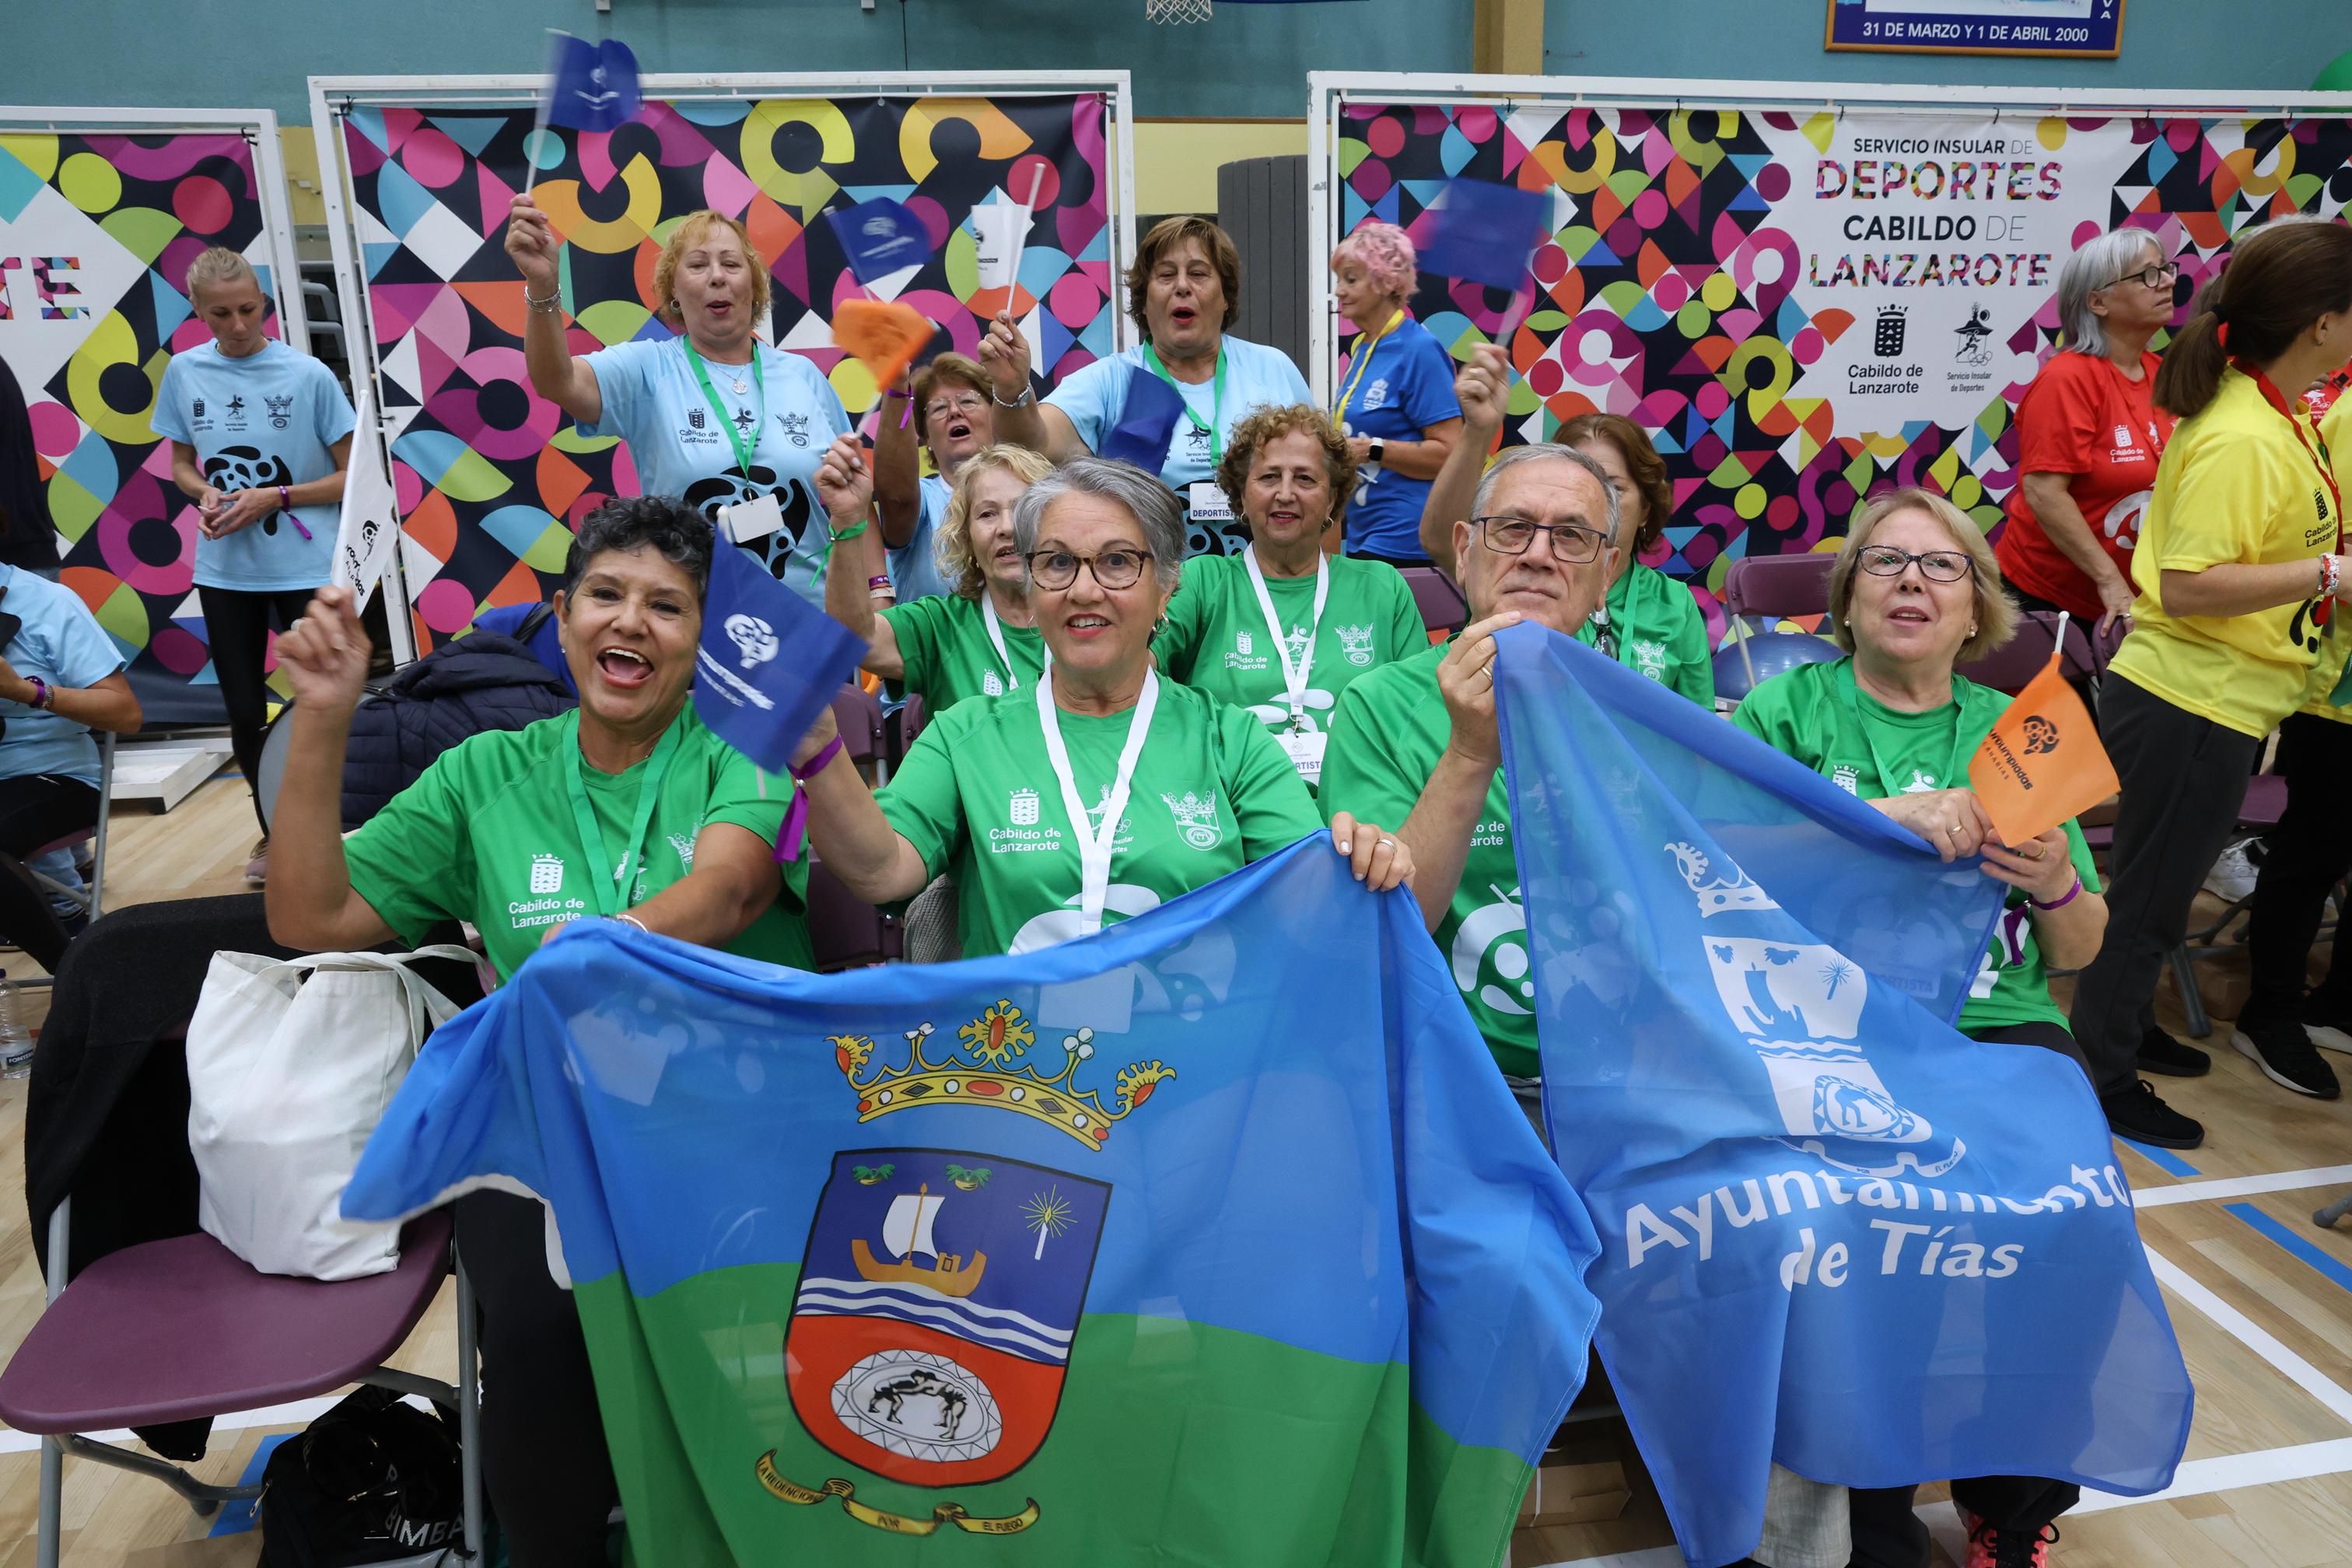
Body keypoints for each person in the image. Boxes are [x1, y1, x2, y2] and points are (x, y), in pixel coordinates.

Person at [265, 495, 809, 1566]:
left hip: (738, 1119)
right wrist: (324, 718)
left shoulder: (743, 749)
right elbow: (308, 916)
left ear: (703, 639)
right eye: (606, 595)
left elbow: (733, 888)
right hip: (549, 1127)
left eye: (668, 606)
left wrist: (600, 944)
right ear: (562, 618)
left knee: (743, 1338)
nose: (631, 622)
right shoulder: (484, 776)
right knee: (533, 1347)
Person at [795, 455, 1411, 958]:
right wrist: (820, 752)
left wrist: (1368, 858)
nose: (1084, 589)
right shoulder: (965, 735)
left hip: (1192, 1057)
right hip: (1020, 1062)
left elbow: (1311, 903)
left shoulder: (1232, 741)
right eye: (1057, 562)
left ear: (1166, 588)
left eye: (1117, 562)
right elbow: (881, 871)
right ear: (1032, 583)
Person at [2068, 216, 2352, 1146]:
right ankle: (2099, 1078)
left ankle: (2123, 1030)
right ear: (2321, 323)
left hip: (2216, 700)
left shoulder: (2271, 414)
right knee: (2149, 904)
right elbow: (2190, 585)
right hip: (2189, 701)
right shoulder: (2243, 435)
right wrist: (2329, 575)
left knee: (2155, 895)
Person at [506, 198, 849, 604]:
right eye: (698, 265)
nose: (717, 276)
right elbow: (556, 380)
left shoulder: (803, 376)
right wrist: (543, 286)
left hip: (813, 618)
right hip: (694, 620)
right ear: (674, 289)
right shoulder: (647, 368)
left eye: (731, 264)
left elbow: (853, 498)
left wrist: (877, 593)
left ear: (754, 285)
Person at [152, 247, 353, 885]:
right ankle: (275, 831)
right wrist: (203, 492)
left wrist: (279, 496)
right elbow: (181, 463)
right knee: (243, 709)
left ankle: (340, 827)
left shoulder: (308, 375)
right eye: (221, 315)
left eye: (248, 309)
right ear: (196, 310)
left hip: (306, 565)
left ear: (264, 301)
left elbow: (352, 477)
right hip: (226, 569)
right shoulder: (185, 372)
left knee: (323, 704)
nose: (238, 325)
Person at [983, 217, 1311, 557]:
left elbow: (1321, 481)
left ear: (1226, 296)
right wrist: (1012, 390)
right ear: (1143, 300)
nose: (1182, 286)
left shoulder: (1272, 369)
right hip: (1150, 582)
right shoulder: (1112, 380)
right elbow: (1030, 443)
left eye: (1198, 274)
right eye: (1166, 275)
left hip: (1264, 582)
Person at [1151, 404, 1421, 788]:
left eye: (1305, 479)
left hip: (1359, 797)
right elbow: (1139, 673)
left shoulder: (1382, 587)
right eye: (1269, 477)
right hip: (1231, 796)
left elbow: (1417, 711)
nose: (1285, 493)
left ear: (1332, 500)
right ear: (1241, 495)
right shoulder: (1203, 581)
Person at [2232, 382, 2352, 1101]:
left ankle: (2338, 1004)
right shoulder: (2347, 419)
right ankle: (2270, 1013)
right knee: (2312, 854)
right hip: (2337, 693)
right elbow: (2335, 557)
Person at [1995, 229, 2181, 635]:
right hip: (2050, 600)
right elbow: (2044, 493)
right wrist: (2108, 579)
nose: (2168, 281)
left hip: (2137, 600)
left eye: (2166, 269)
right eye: (2148, 275)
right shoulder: (2067, 379)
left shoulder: (2163, 373)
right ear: (2098, 302)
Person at [825, 441, 1054, 711]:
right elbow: (854, 638)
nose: (1007, 527)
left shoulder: (1084, 615)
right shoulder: (941, 625)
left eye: (1021, 509)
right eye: (987, 514)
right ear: (966, 538)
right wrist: (847, 521)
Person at [0, 561, 141, 972]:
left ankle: (74, 976)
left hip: (53, 775)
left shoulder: (46, 602)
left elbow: (125, 713)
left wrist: (24, 691)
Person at [1328, 221, 1463, 568]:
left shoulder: (1419, 349)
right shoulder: (1363, 347)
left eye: (1351, 279)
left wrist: (1371, 449)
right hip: (1364, 532)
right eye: (1339, 280)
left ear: (1386, 281)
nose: (1339, 291)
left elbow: (1451, 454)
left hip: (1405, 539)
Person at [1557, 411, 1715, 707]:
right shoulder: (1528, 585)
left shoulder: (1675, 603)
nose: (1597, 501)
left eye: (1614, 488)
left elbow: (1698, 723)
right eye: (1582, 484)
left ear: (1645, 509)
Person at [874, 352, 996, 604]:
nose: (954, 411)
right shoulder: (923, 500)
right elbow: (897, 499)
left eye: (968, 401)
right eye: (939, 408)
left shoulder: (1030, 489)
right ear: (926, 437)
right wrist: (897, 386)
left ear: (995, 417)